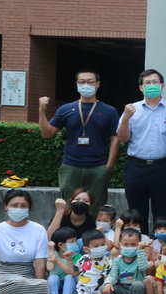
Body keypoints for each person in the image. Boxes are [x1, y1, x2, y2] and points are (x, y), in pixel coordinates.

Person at [38, 70, 119, 215]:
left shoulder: (109, 111)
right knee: (69, 206)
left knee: (96, 207)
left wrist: (108, 166)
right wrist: (42, 111)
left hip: (98, 166)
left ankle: (93, 235)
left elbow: (115, 139)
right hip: (71, 165)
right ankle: (70, 236)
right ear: (76, 84)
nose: (85, 85)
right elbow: (47, 133)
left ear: (98, 84)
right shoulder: (66, 109)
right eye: (81, 82)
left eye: (90, 81)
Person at [117, 69, 166, 234]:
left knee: (162, 211)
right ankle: (139, 246)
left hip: (164, 166)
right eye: (147, 83)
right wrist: (125, 118)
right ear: (141, 88)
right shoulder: (132, 109)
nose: (151, 85)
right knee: (136, 213)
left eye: (155, 82)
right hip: (137, 166)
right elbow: (123, 138)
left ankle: (161, 249)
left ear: (162, 86)